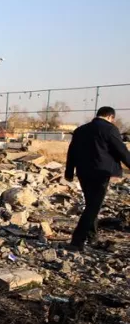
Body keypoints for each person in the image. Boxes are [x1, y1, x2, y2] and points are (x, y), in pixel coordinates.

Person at [65, 106, 130, 251]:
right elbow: (121, 151)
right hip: (101, 173)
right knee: (93, 207)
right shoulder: (110, 129)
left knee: (90, 204)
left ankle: (91, 236)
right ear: (110, 117)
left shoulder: (80, 130)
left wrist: (69, 172)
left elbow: (72, 152)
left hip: (83, 172)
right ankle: (77, 240)